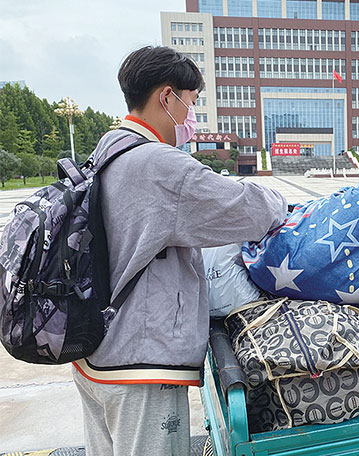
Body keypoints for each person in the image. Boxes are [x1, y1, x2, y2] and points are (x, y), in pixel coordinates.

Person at [71, 46, 287, 455]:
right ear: (167, 97)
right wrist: (280, 202)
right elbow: (249, 210)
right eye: (191, 102)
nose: (191, 116)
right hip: (139, 366)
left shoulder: (108, 150)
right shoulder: (158, 164)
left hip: (95, 356)